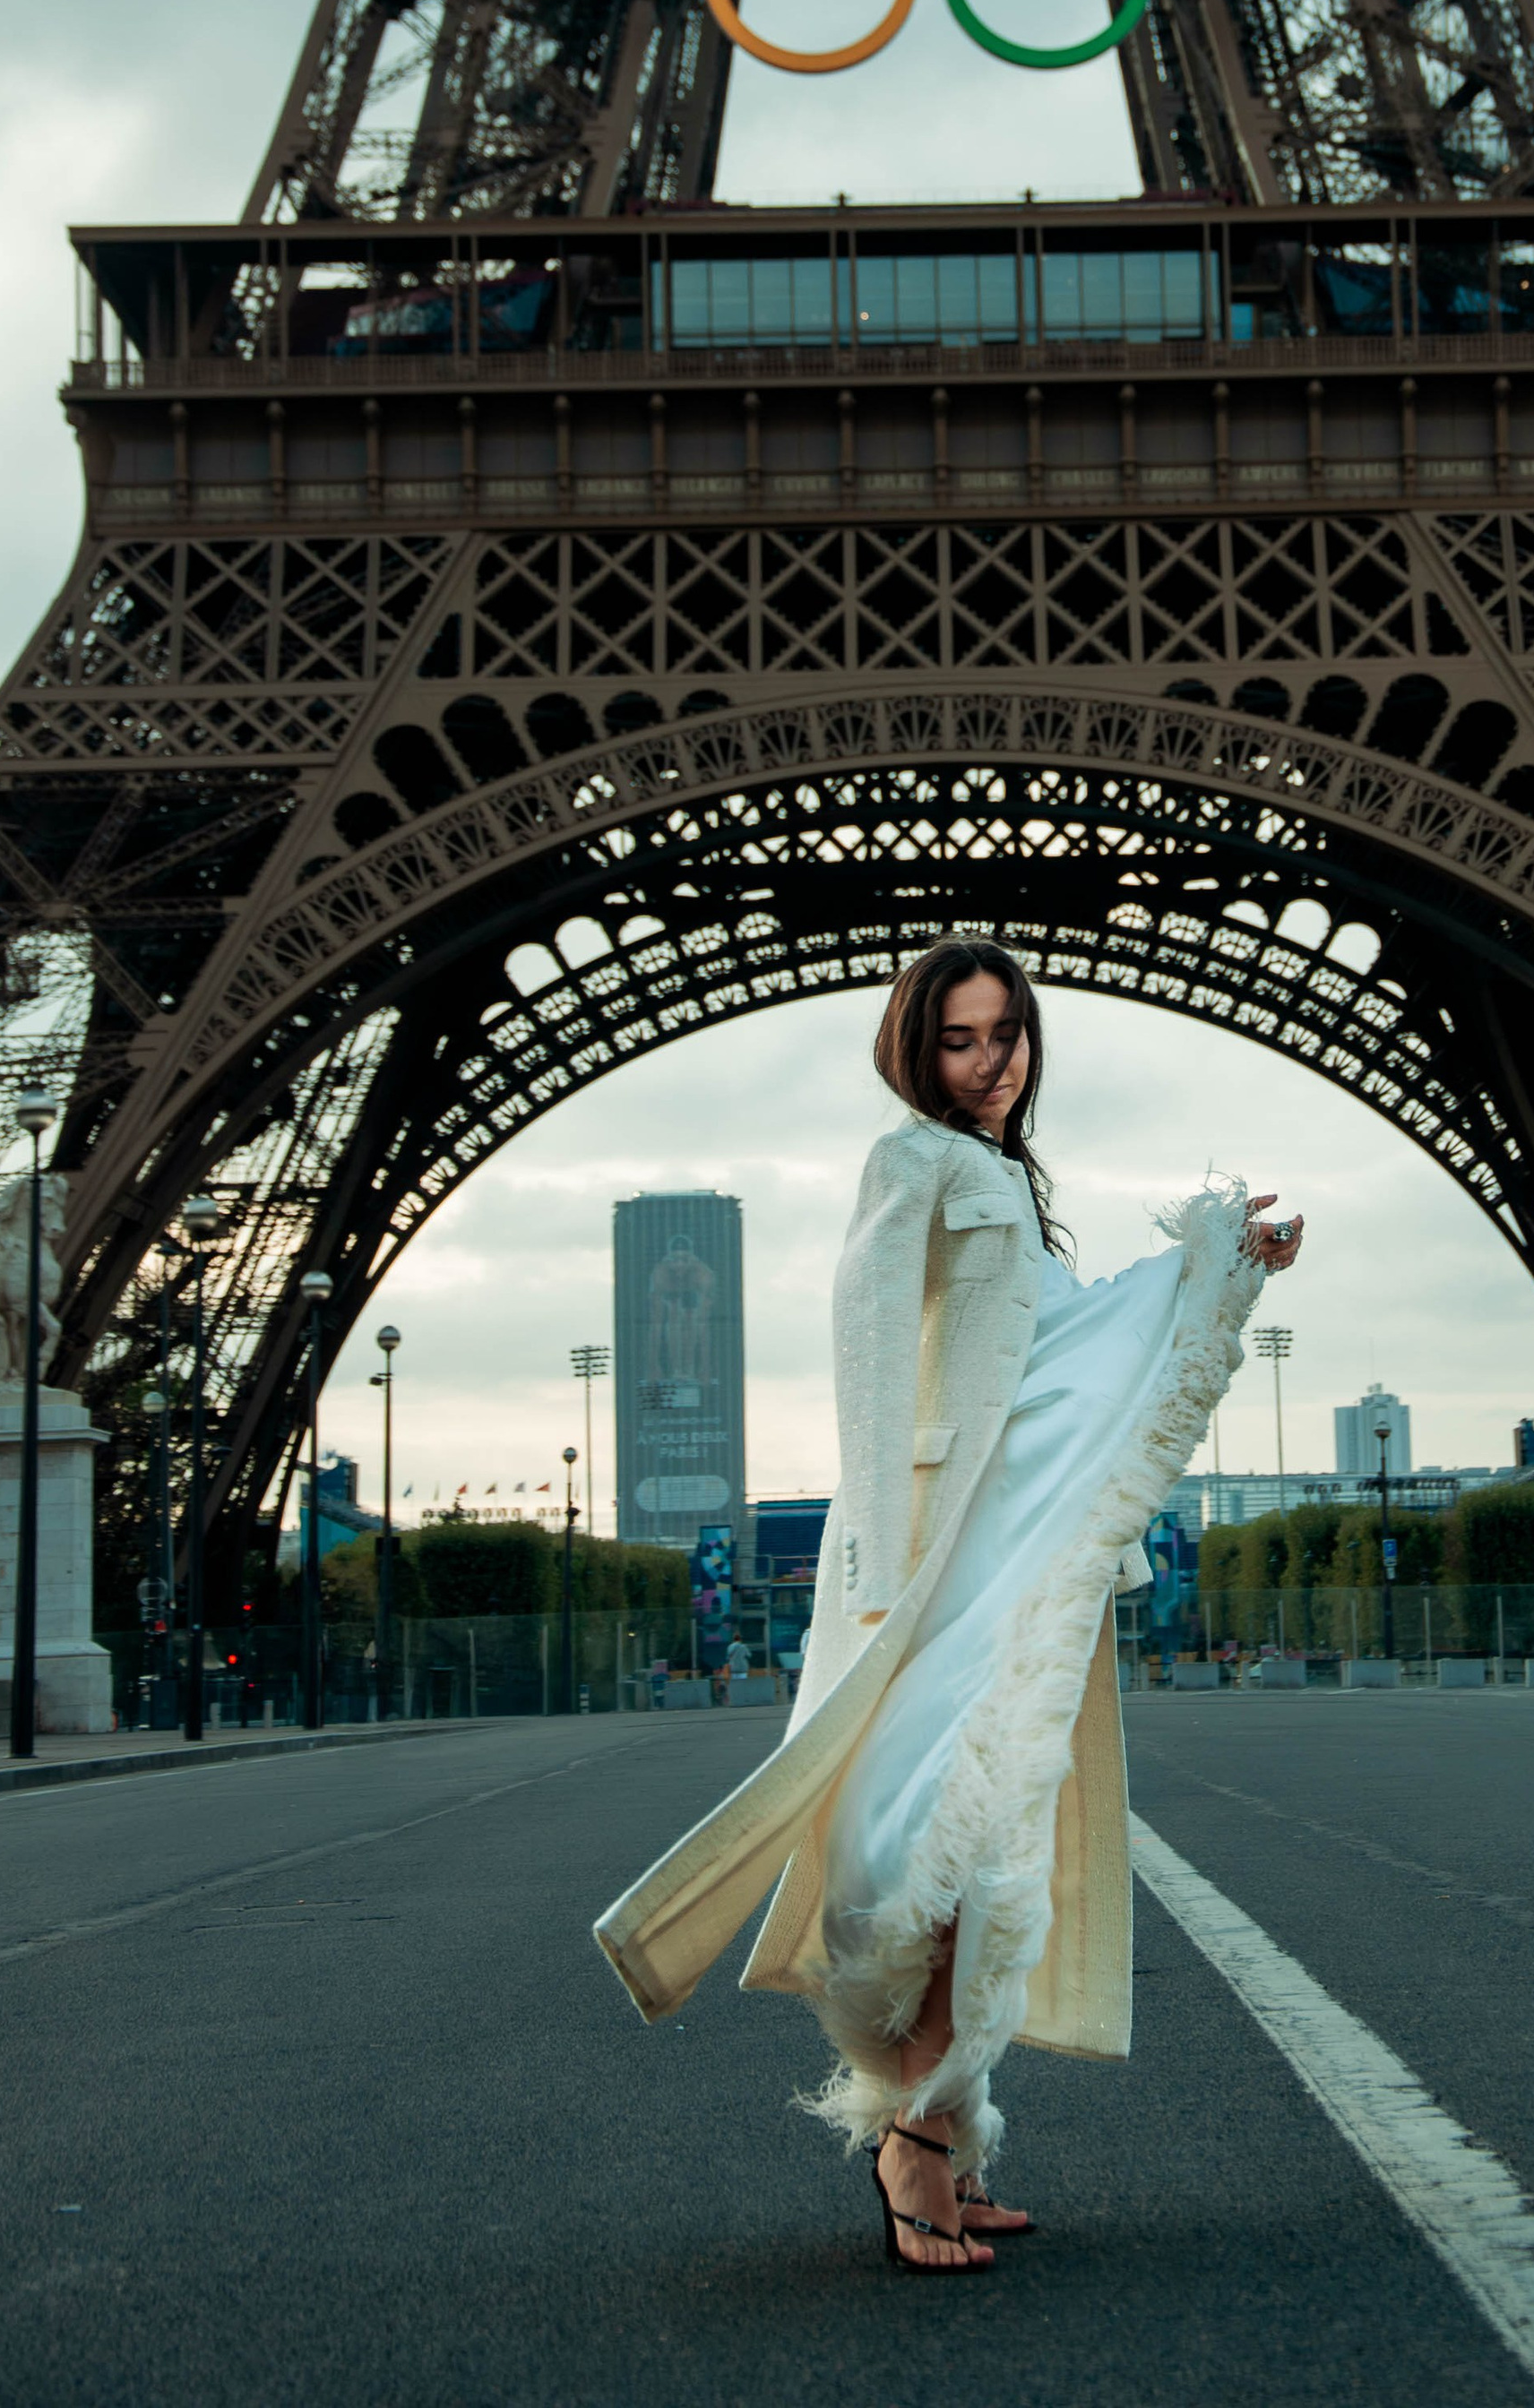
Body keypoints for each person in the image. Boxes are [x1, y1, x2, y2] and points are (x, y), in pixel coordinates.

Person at [593, 936, 1301, 2276]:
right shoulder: (911, 1160)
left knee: (989, 1822)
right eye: (963, 1039)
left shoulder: (1005, 1181)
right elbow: (869, 1344)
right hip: (946, 1544)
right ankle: (916, 2140)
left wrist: (1227, 1261)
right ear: (918, 1050)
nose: (991, 1060)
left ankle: (943, 2127)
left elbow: (1066, 1339)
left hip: (1012, 1532)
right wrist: (878, 1552)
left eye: (1008, 1033)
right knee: (938, 1822)